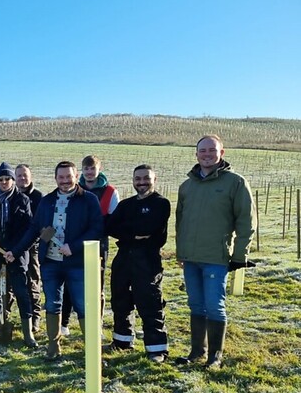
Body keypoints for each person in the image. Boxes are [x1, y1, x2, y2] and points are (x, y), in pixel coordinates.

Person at [7, 161, 103, 359]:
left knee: (83, 306)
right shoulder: (47, 201)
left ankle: (92, 353)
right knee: (52, 304)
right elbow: (34, 229)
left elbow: (97, 228)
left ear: (76, 176)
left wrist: (74, 246)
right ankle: (53, 347)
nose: (65, 181)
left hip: (77, 263)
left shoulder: (89, 200)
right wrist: (15, 252)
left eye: (69, 177)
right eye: (61, 177)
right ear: (56, 178)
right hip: (50, 263)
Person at [175, 135, 255, 368]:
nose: (207, 154)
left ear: (222, 153)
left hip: (216, 258)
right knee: (195, 305)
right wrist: (181, 252)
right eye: (203, 150)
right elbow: (180, 222)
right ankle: (196, 351)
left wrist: (239, 256)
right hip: (191, 259)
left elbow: (246, 221)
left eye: (212, 150)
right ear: (196, 154)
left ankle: (215, 356)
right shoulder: (187, 186)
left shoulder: (235, 183)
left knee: (214, 306)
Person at [105, 165, 171, 362]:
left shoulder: (161, 203)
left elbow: (149, 227)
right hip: (124, 257)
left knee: (150, 302)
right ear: (133, 181)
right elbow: (110, 226)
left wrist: (127, 230)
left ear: (154, 180)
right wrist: (134, 234)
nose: (142, 182)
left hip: (147, 259)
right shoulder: (126, 204)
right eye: (138, 179)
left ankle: (156, 349)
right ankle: (122, 341)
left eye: (146, 178)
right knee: (120, 300)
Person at [60, 154, 118, 336]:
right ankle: (63, 323)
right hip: (73, 244)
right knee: (68, 284)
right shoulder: (75, 189)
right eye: (86, 168)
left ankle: (96, 326)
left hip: (98, 245)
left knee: (96, 287)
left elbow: (113, 220)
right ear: (81, 171)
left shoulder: (110, 192)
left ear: (99, 169)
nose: (90, 172)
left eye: (93, 168)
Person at [0, 162, 36, 347]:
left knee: (22, 292)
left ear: (13, 180)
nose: (4, 182)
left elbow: (28, 229)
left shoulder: (23, 200)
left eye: (7, 179)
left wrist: (14, 250)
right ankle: (0, 328)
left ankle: (28, 333)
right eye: (0, 179)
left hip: (17, 254)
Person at [16, 163, 44, 334]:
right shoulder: (11, 196)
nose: (22, 178)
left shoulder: (38, 197)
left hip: (32, 247)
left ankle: (35, 318)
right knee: (10, 283)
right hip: (14, 247)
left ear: (30, 176)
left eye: (25, 175)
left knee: (32, 282)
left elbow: (42, 223)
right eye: (19, 175)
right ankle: (6, 316)